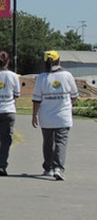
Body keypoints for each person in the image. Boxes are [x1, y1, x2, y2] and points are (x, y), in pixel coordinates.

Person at [32, 50, 78, 181]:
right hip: (63, 116)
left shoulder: (41, 77)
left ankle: (48, 168)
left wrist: (34, 115)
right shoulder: (67, 75)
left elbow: (36, 99)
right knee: (61, 142)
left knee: (48, 142)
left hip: (46, 117)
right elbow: (74, 96)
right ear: (59, 61)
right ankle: (58, 168)